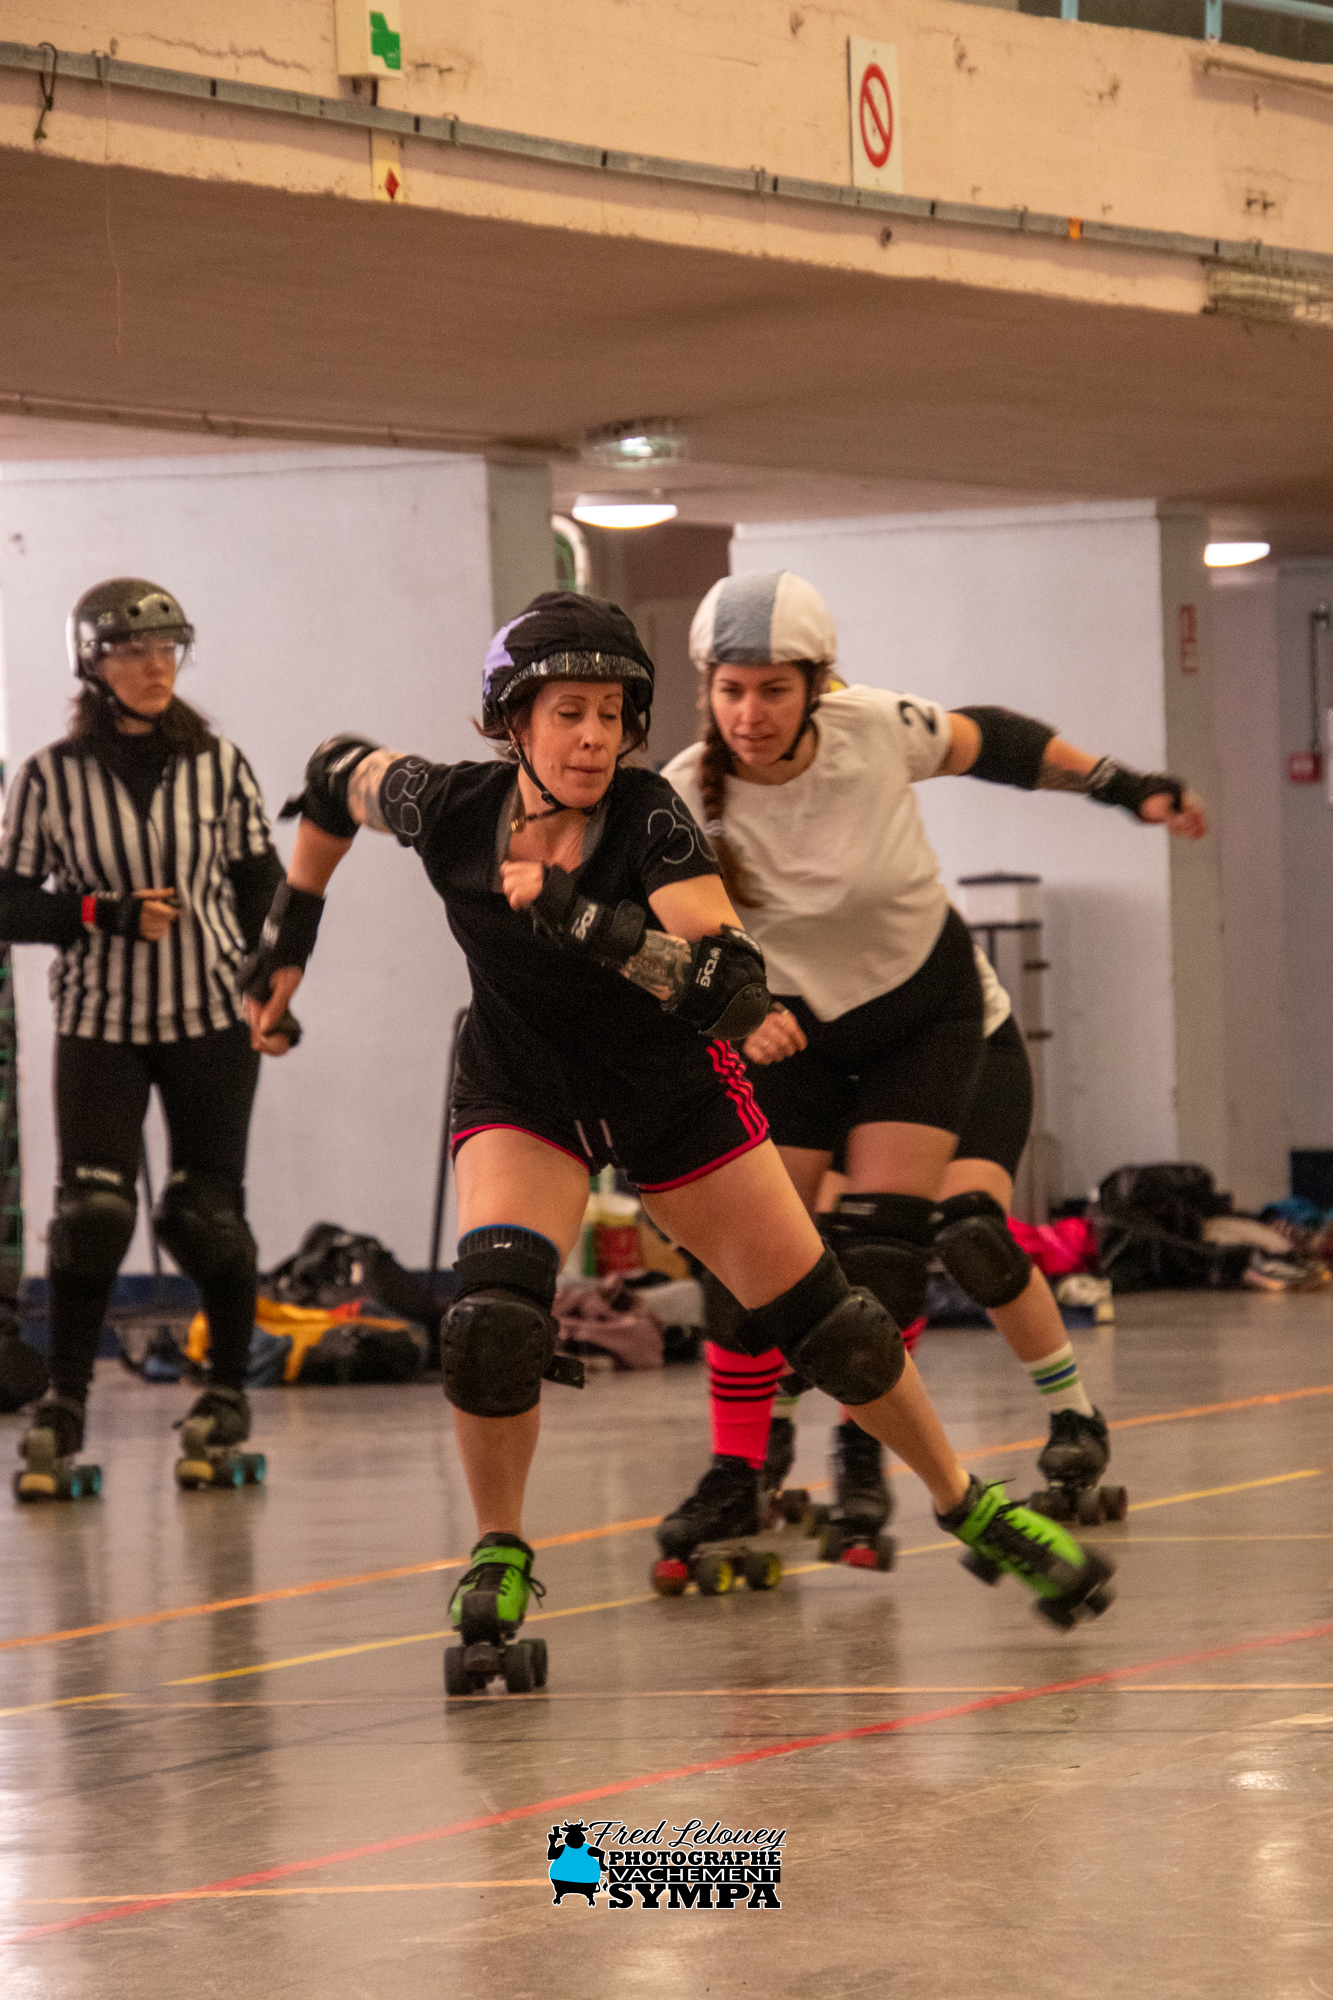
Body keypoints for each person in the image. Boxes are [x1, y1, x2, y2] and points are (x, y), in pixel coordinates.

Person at [242, 591, 1114, 1693]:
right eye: (568, 712)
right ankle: (499, 1548)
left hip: (672, 1097)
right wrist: (290, 931)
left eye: (611, 714)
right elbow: (334, 775)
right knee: (493, 1321)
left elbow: (731, 981)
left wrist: (587, 922)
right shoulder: (447, 803)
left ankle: (964, 1501)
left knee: (832, 1327)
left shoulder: (649, 816)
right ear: (510, 720)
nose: (593, 738)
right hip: (525, 1095)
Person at [657, 568, 1205, 1564]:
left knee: (893, 1245)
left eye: (773, 689)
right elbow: (652, 933)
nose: (749, 713)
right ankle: (738, 1468)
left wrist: (1123, 786)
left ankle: (864, 1453)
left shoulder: (872, 728)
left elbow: (995, 740)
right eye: (730, 690)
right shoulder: (683, 792)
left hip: (925, 1016)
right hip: (795, 1037)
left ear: (815, 685)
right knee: (749, 1257)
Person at [0, 578, 293, 1501]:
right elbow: (9, 901)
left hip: (211, 1020)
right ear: (94, 665)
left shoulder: (219, 764)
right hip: (99, 1023)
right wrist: (100, 912)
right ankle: (65, 1403)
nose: (155, 666)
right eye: (133, 652)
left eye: (167, 649)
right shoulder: (48, 777)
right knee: (91, 1217)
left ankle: (225, 1395)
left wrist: (272, 985)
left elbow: (260, 883)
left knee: (206, 1214)